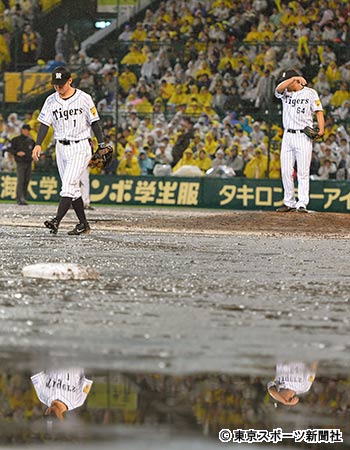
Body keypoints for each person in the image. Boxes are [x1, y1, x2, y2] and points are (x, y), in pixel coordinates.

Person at [32, 66, 106, 235]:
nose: (58, 88)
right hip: (61, 147)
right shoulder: (51, 100)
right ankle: (83, 224)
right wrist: (38, 144)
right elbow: (44, 124)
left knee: (67, 186)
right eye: (55, 85)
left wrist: (101, 144)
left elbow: (95, 122)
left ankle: (56, 220)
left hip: (80, 146)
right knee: (73, 190)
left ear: (70, 80)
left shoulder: (84, 98)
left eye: (62, 84)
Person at [274, 69, 324, 213]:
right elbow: (278, 88)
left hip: (303, 135)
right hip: (288, 135)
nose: (285, 84)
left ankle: (302, 203)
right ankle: (289, 202)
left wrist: (321, 129)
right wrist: (294, 77)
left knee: (302, 172)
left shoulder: (310, 93)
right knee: (285, 171)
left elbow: (319, 111)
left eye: (288, 81)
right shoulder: (285, 93)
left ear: (295, 82)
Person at [9, 124, 35, 205]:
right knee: (21, 180)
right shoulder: (16, 140)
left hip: (29, 162)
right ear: (22, 130)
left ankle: (24, 197)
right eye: (27, 130)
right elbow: (9, 149)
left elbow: (34, 150)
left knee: (26, 180)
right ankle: (20, 198)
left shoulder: (31, 141)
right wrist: (17, 153)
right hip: (20, 162)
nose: (28, 132)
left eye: (29, 130)